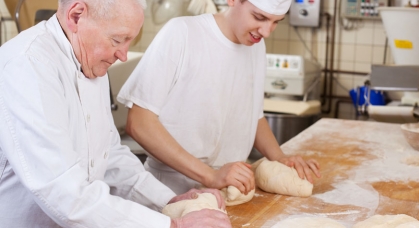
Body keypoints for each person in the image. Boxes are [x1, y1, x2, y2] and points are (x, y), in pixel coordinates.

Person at [0, 0, 230, 227]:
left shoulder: (90, 61)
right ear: (76, 16)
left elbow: (108, 154)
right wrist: (174, 225)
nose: (122, 54)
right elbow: (63, 191)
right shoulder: (26, 65)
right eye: (117, 40)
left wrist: (167, 199)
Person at [117, 0, 321, 196]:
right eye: (259, 17)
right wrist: (210, 175)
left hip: (229, 189)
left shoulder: (256, 46)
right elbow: (139, 123)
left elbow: (253, 116)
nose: (266, 32)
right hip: (169, 189)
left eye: (276, 22)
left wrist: (280, 158)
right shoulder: (182, 33)